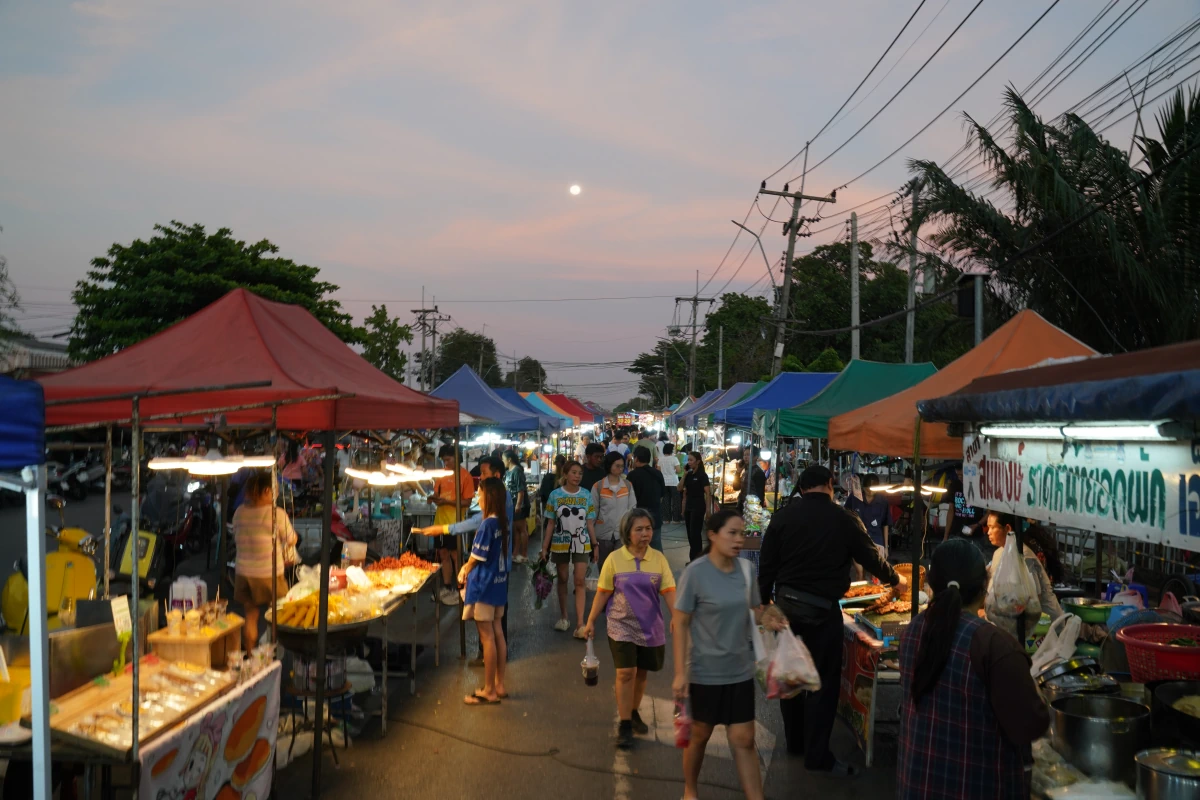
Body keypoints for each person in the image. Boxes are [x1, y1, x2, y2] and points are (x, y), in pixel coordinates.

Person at [759, 464, 905, 776]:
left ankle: (795, 743)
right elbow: (870, 557)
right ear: (829, 483)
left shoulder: (782, 517)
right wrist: (896, 580)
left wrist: (763, 601)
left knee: (791, 675)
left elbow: (767, 563)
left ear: (801, 488)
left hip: (786, 611)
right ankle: (817, 756)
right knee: (822, 685)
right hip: (823, 613)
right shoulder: (844, 518)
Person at [898, 539, 1049, 799]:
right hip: (975, 787)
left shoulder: (913, 630)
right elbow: (1030, 725)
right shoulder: (994, 645)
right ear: (984, 586)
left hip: (917, 785)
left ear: (931, 585)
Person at [672, 511, 788, 800]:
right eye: (732, 533)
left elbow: (754, 611)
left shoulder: (746, 570)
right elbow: (681, 623)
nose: (739, 540)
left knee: (744, 740)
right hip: (705, 672)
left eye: (742, 534)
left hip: (740, 670)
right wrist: (680, 673)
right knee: (700, 736)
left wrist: (769, 618)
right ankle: (690, 790)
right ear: (713, 535)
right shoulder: (695, 573)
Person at [582, 509, 677, 750]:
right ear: (627, 532)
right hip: (620, 625)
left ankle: (633, 711)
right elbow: (603, 592)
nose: (645, 534)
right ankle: (625, 724)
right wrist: (590, 621)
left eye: (648, 528)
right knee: (626, 672)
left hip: (650, 626)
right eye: (639, 529)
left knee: (641, 673)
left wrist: (677, 616)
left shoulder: (658, 559)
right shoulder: (614, 559)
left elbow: (669, 591)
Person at [457, 478, 510, 705]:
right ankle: (499, 685)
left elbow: (477, 556)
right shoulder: (502, 522)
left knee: (487, 637)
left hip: (485, 585)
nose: (478, 498)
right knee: (497, 633)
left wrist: (464, 570)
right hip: (499, 584)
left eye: (480, 494)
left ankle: (489, 690)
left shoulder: (488, 524)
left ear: (488, 497)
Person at [232, 471, 298, 651]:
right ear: (267, 490)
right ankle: (274, 656)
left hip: (244, 573)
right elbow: (292, 539)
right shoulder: (276, 514)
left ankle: (251, 656)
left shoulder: (239, 512)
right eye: (275, 489)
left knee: (251, 616)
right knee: (279, 615)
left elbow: (236, 535)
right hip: (269, 574)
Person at [984, 511, 1063, 642]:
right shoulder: (998, 553)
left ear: (1007, 528)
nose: (988, 532)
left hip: (1044, 629)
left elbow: (1033, 600)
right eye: (988, 527)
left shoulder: (1025, 556)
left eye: (992, 527)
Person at [540, 460, 597, 636]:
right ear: (565, 474)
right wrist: (545, 548)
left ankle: (580, 623)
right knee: (563, 578)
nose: (577, 476)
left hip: (582, 543)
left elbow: (589, 522)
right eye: (573, 472)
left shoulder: (586, 495)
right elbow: (550, 523)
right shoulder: (555, 495)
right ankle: (564, 617)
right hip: (560, 543)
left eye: (580, 473)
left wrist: (595, 544)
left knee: (579, 580)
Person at [430, 444, 475, 605]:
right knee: (443, 554)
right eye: (444, 460)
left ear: (457, 458)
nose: (446, 463)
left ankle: (460, 588)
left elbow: (467, 502)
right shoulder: (441, 475)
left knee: (457, 556)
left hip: (456, 523)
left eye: (448, 460)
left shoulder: (465, 477)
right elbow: (437, 494)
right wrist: (434, 498)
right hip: (440, 522)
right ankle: (447, 587)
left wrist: (447, 502)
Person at [590, 452, 637, 568]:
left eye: (622, 466)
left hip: (622, 534)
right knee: (604, 568)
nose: (620, 469)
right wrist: (592, 539)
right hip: (602, 535)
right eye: (617, 466)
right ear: (609, 465)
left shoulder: (628, 485)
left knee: (621, 569)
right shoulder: (598, 486)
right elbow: (592, 513)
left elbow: (632, 509)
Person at [845, 474, 892, 577]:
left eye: (872, 489)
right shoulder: (854, 497)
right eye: (867, 489)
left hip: (876, 541)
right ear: (863, 487)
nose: (870, 492)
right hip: (858, 540)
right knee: (860, 572)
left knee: (876, 574)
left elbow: (885, 524)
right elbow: (845, 516)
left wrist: (886, 547)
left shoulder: (882, 501)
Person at [626, 445, 665, 551]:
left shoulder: (632, 475)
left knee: (638, 549)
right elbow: (662, 494)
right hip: (655, 517)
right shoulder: (657, 473)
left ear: (636, 459)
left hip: (637, 519)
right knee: (656, 549)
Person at [680, 451, 711, 561]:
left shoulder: (702, 475)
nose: (689, 462)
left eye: (691, 460)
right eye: (688, 460)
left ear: (698, 461)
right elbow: (680, 488)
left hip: (698, 507)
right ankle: (693, 559)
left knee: (695, 534)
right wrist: (684, 474)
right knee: (690, 534)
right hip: (689, 506)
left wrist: (708, 510)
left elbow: (708, 493)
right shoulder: (688, 475)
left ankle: (697, 559)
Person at [503, 450, 530, 565]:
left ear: (509, 460)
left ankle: (524, 554)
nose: (503, 461)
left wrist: (518, 504)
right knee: (515, 529)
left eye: (504, 459)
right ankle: (515, 553)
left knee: (521, 528)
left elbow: (521, 489)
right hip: (511, 504)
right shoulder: (508, 472)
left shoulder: (517, 471)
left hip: (519, 504)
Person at [736, 446, 767, 513]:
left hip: (752, 510)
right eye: (744, 455)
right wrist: (738, 473)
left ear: (755, 457)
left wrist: (757, 512)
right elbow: (736, 487)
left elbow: (760, 495)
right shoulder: (746, 471)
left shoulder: (758, 473)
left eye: (748, 455)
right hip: (743, 507)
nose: (745, 457)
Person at [659, 442, 682, 523]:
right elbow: (678, 470)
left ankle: (666, 519)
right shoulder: (674, 459)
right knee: (676, 501)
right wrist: (674, 471)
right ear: (671, 450)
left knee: (665, 501)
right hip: (674, 482)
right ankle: (676, 519)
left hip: (664, 482)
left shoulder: (660, 459)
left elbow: (659, 471)